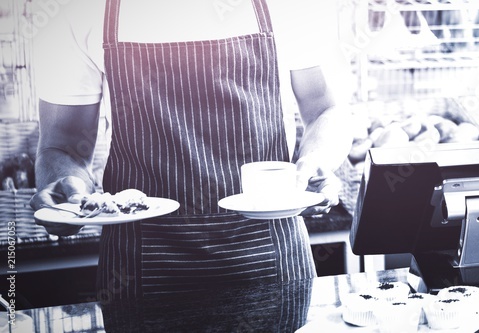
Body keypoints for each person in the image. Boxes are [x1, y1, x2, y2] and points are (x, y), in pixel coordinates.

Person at [30, 0, 355, 300]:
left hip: (272, 259)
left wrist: (315, 160)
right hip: (139, 271)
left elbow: (326, 109)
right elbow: (63, 144)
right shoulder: (78, 11)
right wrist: (64, 188)